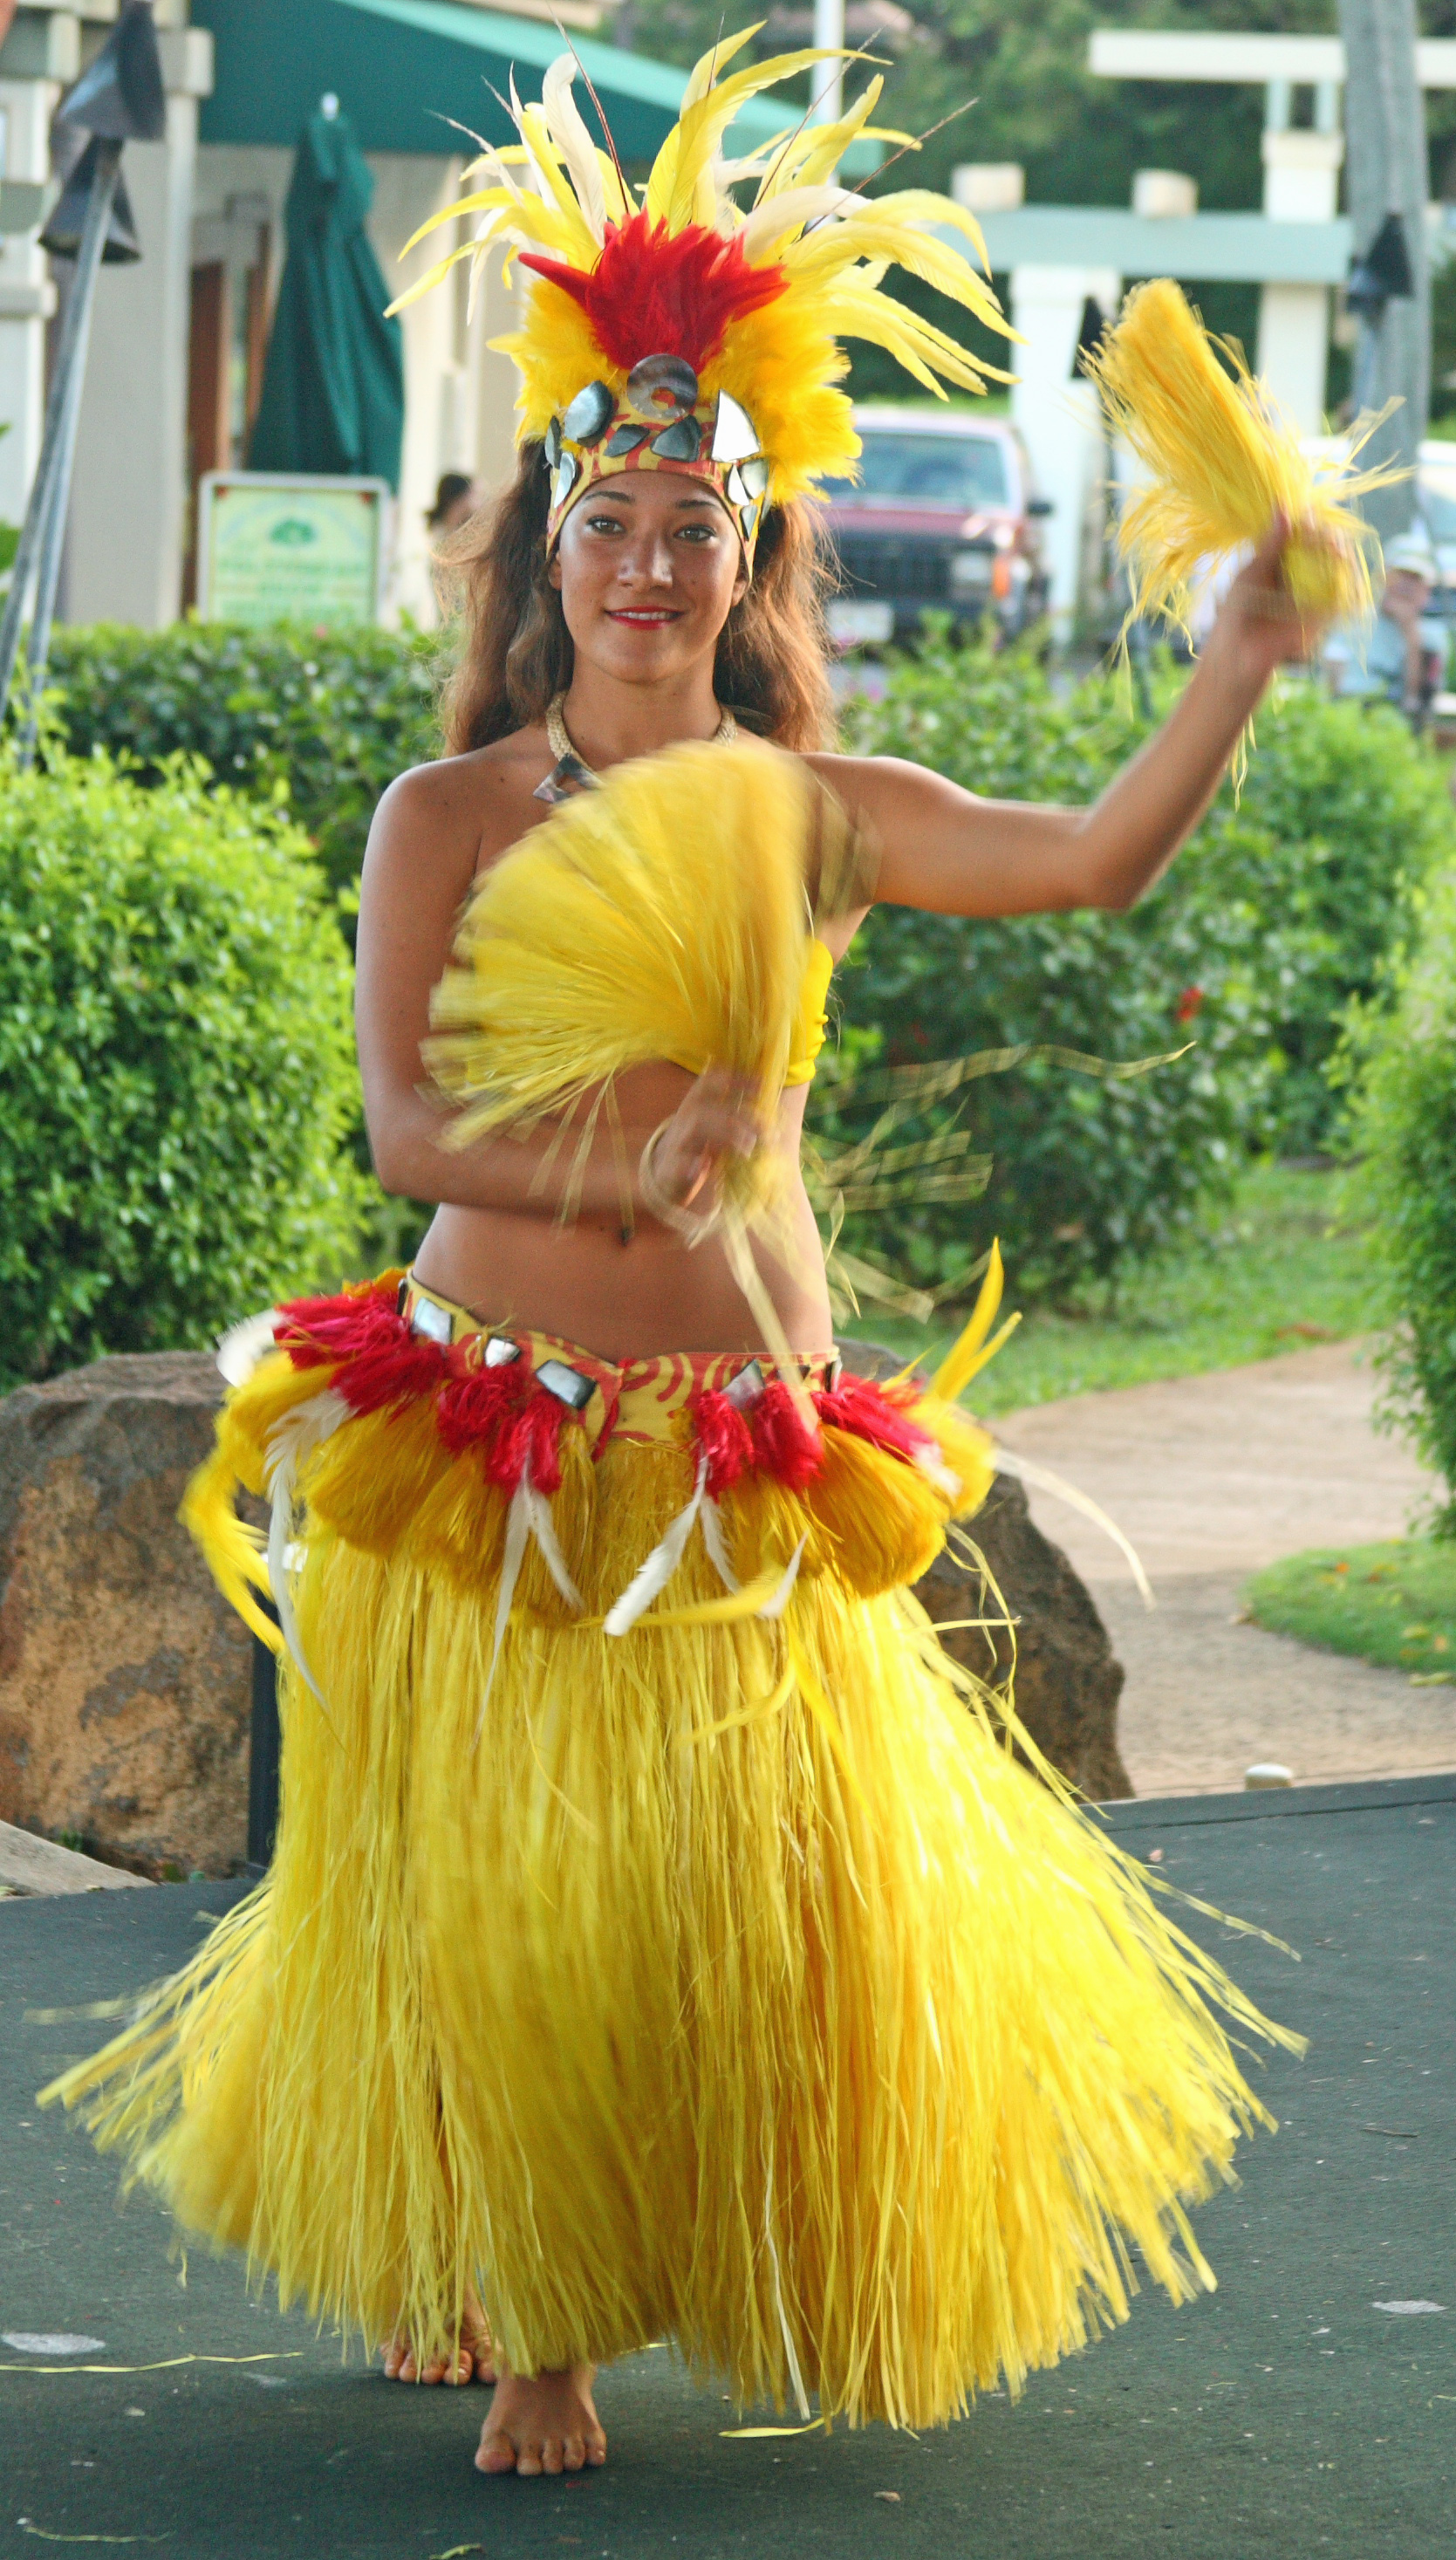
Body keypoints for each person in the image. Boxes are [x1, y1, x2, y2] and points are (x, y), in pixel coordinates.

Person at [45, 41, 1327, 2487]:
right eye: (607, 513)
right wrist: (620, 1179)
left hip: (743, 1446)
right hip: (494, 1429)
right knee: (495, 1905)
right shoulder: (446, 813)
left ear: (748, 561)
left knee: (745, 1900)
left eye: (692, 524)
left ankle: (711, 2234)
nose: (648, 561)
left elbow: (1084, 862)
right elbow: (407, 1123)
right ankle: (526, 2298)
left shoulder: (807, 814)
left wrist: (1238, 663)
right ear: (549, 541)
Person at [1323, 525, 1444, 723]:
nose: (1407, 585)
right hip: (1346, 716)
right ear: (1383, 576)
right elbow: (1331, 681)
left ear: (1426, 589)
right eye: (1402, 574)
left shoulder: (1432, 638)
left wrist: (1410, 634)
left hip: (1394, 725)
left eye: (1416, 578)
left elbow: (1419, 703)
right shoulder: (1353, 618)